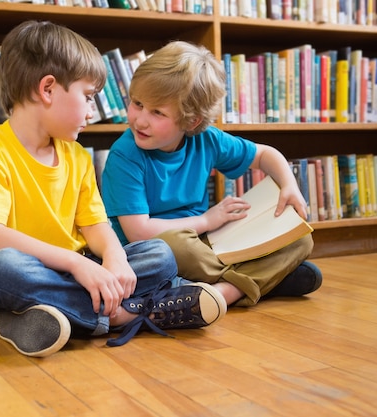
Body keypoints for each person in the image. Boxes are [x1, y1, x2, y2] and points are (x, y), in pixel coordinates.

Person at [0, 21, 227, 358]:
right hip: (20, 278)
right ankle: (126, 315)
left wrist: (113, 256)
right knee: (2, 269)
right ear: (48, 89)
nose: (93, 110)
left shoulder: (77, 156)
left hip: (79, 272)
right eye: (88, 96)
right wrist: (77, 265)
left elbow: (96, 226)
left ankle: (39, 317)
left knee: (159, 255)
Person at [101, 40, 322, 309]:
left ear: (191, 121)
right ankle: (258, 281)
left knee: (299, 239)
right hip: (153, 249)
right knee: (171, 248)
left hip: (206, 241)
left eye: (157, 112)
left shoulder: (207, 139)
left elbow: (265, 155)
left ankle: (222, 291)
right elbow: (139, 232)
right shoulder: (125, 155)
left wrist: (289, 185)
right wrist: (206, 219)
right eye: (137, 103)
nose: (140, 119)